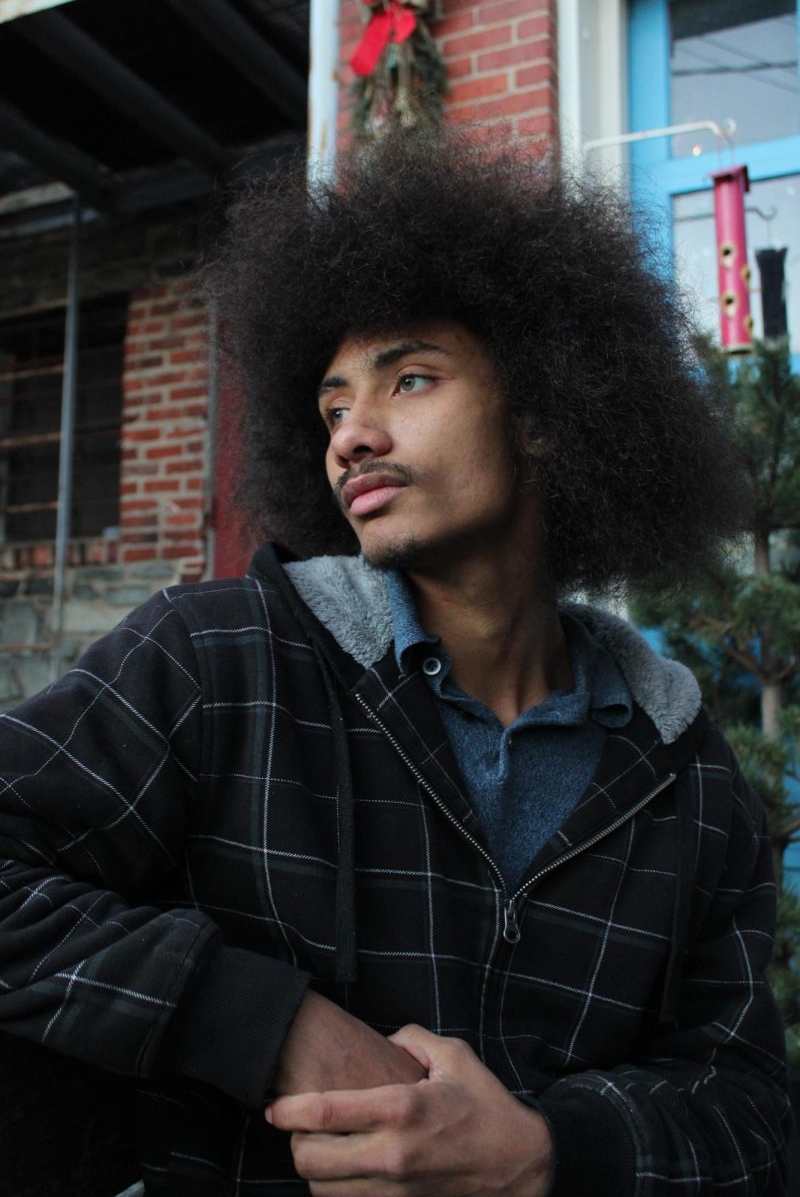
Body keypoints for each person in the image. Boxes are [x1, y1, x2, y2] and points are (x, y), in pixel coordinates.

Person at [0, 132, 791, 1196]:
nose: (351, 437)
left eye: (407, 380)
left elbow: (745, 1107)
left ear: (548, 415)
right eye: (330, 408)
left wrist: (545, 1153)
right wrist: (256, 1017)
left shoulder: (686, 780)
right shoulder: (222, 659)